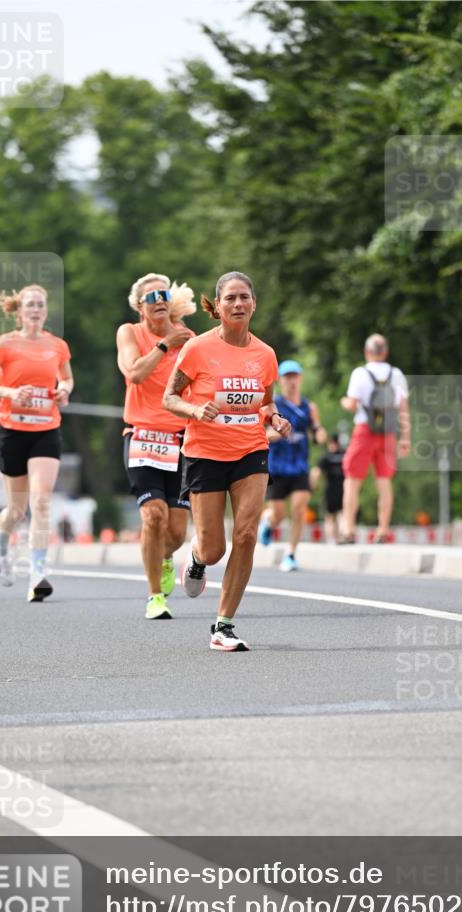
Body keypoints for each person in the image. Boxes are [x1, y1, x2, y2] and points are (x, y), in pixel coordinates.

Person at [163, 270, 291, 651]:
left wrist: (274, 417)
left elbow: (265, 401)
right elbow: (169, 397)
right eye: (230, 298)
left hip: (251, 450)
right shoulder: (198, 349)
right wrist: (193, 409)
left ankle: (223, 625)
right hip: (204, 453)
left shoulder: (265, 354)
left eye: (244, 298)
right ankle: (198, 558)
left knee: (247, 534)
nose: (238, 304)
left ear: (254, 304)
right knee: (215, 547)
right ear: (216, 307)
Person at [0, 284, 73, 602]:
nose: (35, 309)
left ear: (45, 310)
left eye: (40, 304)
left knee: (41, 500)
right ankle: (0, 544)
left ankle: (37, 573)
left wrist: (63, 390)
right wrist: (10, 393)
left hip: (46, 428)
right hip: (12, 430)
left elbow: (67, 378)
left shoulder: (57, 345)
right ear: (19, 311)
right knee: (16, 509)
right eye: (29, 304)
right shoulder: (5, 344)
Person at [116, 273, 195, 620]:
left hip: (181, 440)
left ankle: (165, 559)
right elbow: (134, 373)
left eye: (164, 293)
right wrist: (166, 345)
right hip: (143, 435)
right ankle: (154, 597)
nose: (159, 300)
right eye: (151, 296)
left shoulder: (188, 338)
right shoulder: (130, 332)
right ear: (139, 305)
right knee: (153, 516)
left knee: (176, 531)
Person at [340, 333, 410, 543]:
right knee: (384, 481)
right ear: (385, 352)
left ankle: (349, 530)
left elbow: (352, 405)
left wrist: (344, 401)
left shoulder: (360, 373)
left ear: (367, 352)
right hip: (388, 432)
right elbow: (403, 409)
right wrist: (405, 438)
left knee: (352, 481)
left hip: (364, 430)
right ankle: (382, 530)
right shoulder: (397, 374)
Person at [258, 360, 326, 571]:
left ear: (300, 379)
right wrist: (274, 434)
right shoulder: (274, 405)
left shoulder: (309, 407)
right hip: (277, 467)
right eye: (287, 377)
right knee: (278, 513)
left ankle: (290, 554)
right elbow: (262, 434)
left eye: (295, 377)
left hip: (299, 467)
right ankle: (268, 523)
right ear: (281, 381)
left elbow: (317, 431)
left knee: (299, 509)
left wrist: (320, 435)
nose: (292, 381)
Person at [311, 432, 346, 544]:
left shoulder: (326, 456)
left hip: (330, 490)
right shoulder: (344, 455)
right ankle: (342, 535)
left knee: (329, 516)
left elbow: (316, 472)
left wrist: (313, 485)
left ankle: (331, 539)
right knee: (341, 514)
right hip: (343, 489)